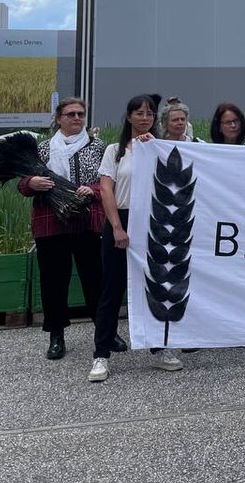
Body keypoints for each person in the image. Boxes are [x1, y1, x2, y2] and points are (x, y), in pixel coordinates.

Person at [89, 94, 180, 382]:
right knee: (112, 290)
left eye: (150, 113)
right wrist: (116, 227)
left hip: (153, 223)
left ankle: (161, 347)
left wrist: (155, 147)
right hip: (122, 221)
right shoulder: (114, 151)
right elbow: (106, 190)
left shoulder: (160, 148)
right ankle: (101, 355)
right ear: (128, 116)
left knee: (156, 286)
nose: (144, 118)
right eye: (139, 113)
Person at [17, 99, 108, 360]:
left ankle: (104, 331)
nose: (77, 118)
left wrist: (93, 190)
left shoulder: (98, 147)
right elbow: (21, 185)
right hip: (50, 222)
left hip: (87, 221)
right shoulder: (43, 149)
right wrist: (31, 182)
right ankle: (56, 335)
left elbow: (108, 182)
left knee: (95, 279)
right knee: (54, 282)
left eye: (81, 114)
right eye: (71, 114)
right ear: (59, 118)